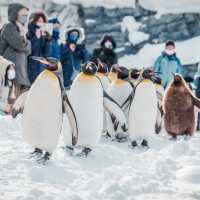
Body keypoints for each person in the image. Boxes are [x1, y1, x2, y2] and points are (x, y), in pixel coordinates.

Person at [0, 3, 31, 96]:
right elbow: (20, 45)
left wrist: (25, 42)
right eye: (22, 14)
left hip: (20, 70)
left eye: (26, 15)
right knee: (9, 98)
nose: (25, 17)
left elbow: (28, 51)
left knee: (18, 98)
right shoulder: (9, 26)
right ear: (15, 14)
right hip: (10, 68)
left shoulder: (20, 29)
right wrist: (23, 36)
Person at [27, 12, 52, 84]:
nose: (40, 23)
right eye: (38, 21)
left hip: (41, 68)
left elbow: (47, 53)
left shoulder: (43, 35)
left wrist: (48, 41)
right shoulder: (28, 34)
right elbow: (29, 51)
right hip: (30, 69)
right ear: (33, 22)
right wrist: (36, 38)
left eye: (42, 21)